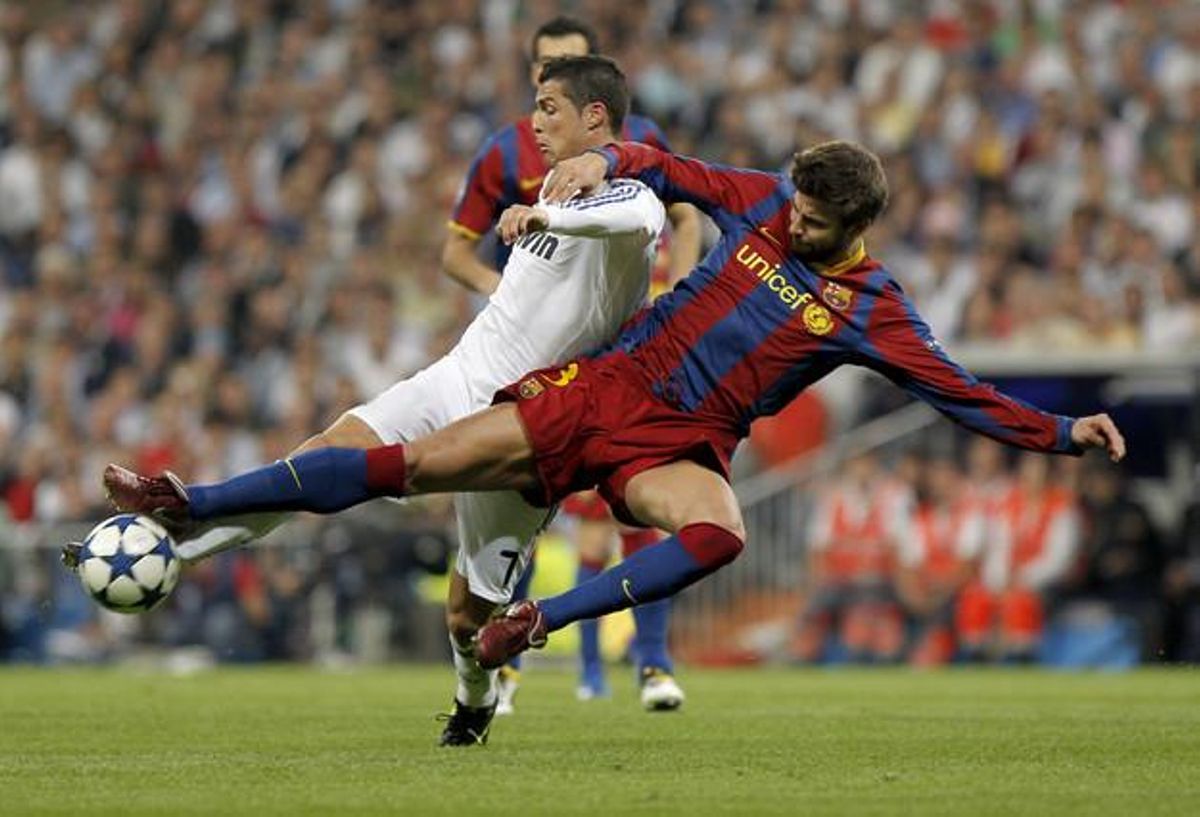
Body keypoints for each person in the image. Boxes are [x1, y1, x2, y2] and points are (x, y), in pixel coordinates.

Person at [99, 139, 1126, 680]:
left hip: (684, 441)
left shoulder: (873, 307)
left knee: (720, 532)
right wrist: (603, 162)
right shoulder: (766, 197)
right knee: (403, 466)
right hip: (608, 388)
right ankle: (192, 505)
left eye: (815, 221)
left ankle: (539, 623)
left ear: (856, 224)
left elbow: (959, 390)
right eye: (794, 209)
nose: (793, 221)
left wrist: (1060, 433)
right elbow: (670, 168)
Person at [82, 56, 670, 746]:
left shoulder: (635, 200)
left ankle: (473, 698)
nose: (534, 123)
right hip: (456, 377)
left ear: (594, 115)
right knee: (321, 457)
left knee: (467, 617)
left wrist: (554, 205)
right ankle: (179, 542)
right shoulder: (553, 186)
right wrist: (548, 203)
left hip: (522, 428)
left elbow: (630, 215)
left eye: (549, 108)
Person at [441, 16, 698, 713]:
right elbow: (455, 252)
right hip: (534, 354)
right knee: (525, 501)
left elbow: (686, 215)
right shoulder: (504, 152)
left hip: (623, 345)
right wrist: (509, 297)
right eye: (546, 67)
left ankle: (651, 661)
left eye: (572, 66)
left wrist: (678, 290)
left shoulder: (638, 142)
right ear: (533, 78)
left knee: (632, 495)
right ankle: (510, 661)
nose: (556, 78)